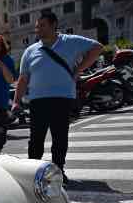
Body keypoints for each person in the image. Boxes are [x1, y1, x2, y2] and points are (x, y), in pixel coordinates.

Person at [13, 11, 103, 180]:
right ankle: (33, 172)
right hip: (37, 100)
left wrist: (79, 69)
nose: (38, 29)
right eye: (37, 26)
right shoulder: (30, 51)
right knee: (36, 139)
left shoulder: (70, 42)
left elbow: (97, 48)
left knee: (59, 137)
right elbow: (23, 78)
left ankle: (58, 171)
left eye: (42, 25)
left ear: (54, 25)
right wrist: (16, 101)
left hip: (62, 98)